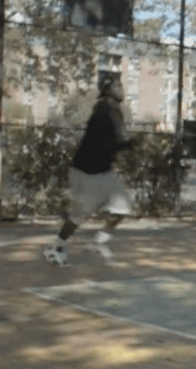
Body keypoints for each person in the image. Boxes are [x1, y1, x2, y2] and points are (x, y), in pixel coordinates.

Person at [43, 73, 135, 267]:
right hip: (86, 171)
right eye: (118, 86)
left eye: (121, 85)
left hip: (103, 171)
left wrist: (125, 145)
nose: (122, 89)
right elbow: (104, 144)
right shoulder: (104, 110)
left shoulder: (114, 110)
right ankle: (56, 248)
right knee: (80, 215)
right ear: (108, 89)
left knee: (121, 208)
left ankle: (99, 242)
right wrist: (127, 145)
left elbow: (110, 144)